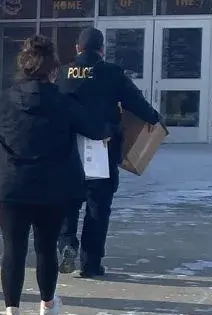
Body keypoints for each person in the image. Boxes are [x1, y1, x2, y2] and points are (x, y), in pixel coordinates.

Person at [0, 36, 109, 315]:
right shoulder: (64, 102)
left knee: (13, 248)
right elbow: (95, 129)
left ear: (23, 67)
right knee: (46, 247)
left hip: (10, 186)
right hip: (53, 188)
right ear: (53, 71)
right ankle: (47, 305)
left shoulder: (4, 100)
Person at [56, 28, 162, 278]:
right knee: (98, 207)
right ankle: (91, 264)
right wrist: (155, 118)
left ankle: (67, 244)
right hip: (102, 148)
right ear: (102, 50)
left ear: (77, 48)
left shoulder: (62, 73)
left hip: (68, 150)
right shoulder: (112, 73)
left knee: (67, 202)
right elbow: (135, 101)